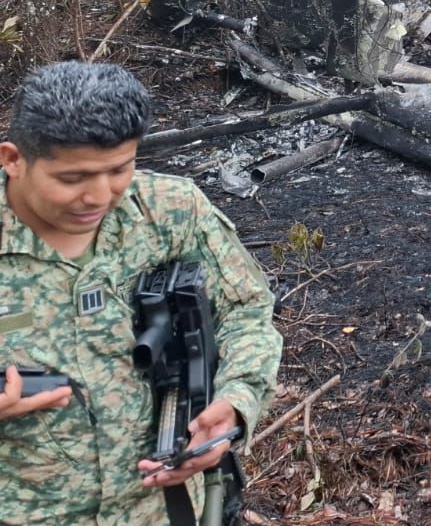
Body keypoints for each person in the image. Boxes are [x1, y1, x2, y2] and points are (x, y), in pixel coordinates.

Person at [0, 62, 281, 526]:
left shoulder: (170, 211)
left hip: (168, 509)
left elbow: (246, 310)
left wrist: (234, 402)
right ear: (12, 159)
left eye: (119, 169)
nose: (99, 196)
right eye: (73, 178)